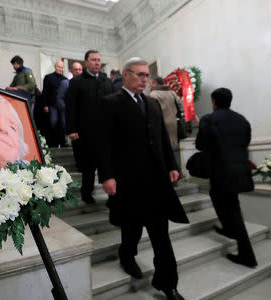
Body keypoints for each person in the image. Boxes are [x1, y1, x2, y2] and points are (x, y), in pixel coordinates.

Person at [98, 57, 189, 300]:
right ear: (125, 75)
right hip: (129, 181)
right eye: (139, 75)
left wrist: (172, 165)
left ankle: (168, 284)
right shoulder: (110, 103)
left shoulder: (152, 103)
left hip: (157, 180)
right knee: (132, 229)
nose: (144, 79)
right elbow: (104, 143)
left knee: (161, 236)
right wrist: (106, 176)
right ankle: (126, 255)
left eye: (146, 75)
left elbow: (162, 138)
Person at [195, 87, 258, 268]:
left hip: (220, 171)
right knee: (228, 202)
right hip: (240, 170)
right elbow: (245, 142)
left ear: (213, 102)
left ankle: (247, 256)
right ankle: (229, 229)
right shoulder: (242, 120)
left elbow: (200, 145)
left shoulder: (209, 119)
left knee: (231, 210)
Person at [66, 50, 113, 203]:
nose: (97, 62)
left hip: (106, 132)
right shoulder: (76, 81)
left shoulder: (107, 81)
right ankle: (87, 193)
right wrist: (71, 129)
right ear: (86, 62)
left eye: (99, 60)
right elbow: (70, 107)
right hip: (85, 132)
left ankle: (112, 195)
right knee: (88, 167)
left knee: (108, 164)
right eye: (93, 60)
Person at [148, 76, 182, 150]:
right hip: (173, 123)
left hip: (161, 124)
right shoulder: (172, 93)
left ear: (155, 83)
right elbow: (180, 104)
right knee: (173, 146)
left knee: (164, 147)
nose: (148, 85)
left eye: (149, 83)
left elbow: (152, 111)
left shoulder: (153, 94)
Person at [42, 60, 68, 147]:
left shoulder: (65, 79)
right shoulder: (48, 77)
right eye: (58, 67)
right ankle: (53, 143)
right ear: (55, 66)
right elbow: (44, 92)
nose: (60, 69)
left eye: (61, 67)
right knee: (53, 122)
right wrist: (45, 105)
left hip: (62, 106)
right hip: (52, 104)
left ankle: (62, 142)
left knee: (63, 124)